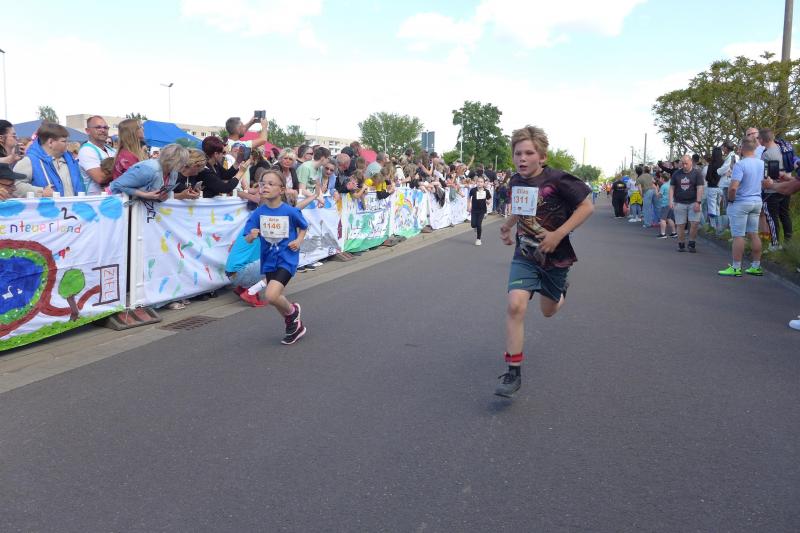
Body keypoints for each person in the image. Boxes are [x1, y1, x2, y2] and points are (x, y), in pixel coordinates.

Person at [495, 126, 593, 397]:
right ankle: (513, 372)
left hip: (556, 257)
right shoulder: (516, 181)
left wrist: (557, 234)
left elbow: (587, 206)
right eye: (518, 153)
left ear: (542, 157)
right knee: (515, 305)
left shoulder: (558, 180)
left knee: (548, 311)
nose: (522, 158)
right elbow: (521, 209)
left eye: (529, 153)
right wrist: (507, 226)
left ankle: (561, 293)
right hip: (525, 254)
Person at [242, 169, 309, 345]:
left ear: (281, 190)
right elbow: (247, 237)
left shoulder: (290, 211)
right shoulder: (258, 213)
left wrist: (298, 240)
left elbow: (303, 227)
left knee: (271, 296)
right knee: (276, 298)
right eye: (263, 183)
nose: (265, 186)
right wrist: (251, 236)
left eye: (271, 184)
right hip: (269, 260)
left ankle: (293, 312)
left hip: (287, 258)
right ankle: (294, 325)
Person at [718, 139, 764, 277]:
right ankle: (756, 266)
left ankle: (736, 267)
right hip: (756, 201)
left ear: (742, 148)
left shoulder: (740, 165)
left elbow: (733, 187)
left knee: (738, 236)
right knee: (754, 233)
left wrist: (731, 200)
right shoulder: (762, 163)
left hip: (741, 202)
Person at [15, 122, 83, 196]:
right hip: (47, 204)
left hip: (73, 203)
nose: (67, 144)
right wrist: (41, 192)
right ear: (50, 142)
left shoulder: (71, 161)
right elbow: (16, 185)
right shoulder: (29, 161)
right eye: (64, 141)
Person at [109, 144, 190, 200]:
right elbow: (118, 185)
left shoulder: (173, 173)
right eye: (183, 161)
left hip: (138, 209)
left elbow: (161, 194)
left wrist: (163, 197)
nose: (185, 164)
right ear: (173, 160)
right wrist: (144, 195)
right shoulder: (148, 169)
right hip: (116, 203)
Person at [759, 128, 792, 249]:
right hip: (787, 187)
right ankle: (788, 244)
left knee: (772, 218)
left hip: (772, 190)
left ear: (762, 139)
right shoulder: (784, 149)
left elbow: (765, 174)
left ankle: (775, 245)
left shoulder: (766, 154)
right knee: (785, 215)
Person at [668, 155, 704, 253]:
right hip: (679, 202)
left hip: (694, 202)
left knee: (694, 223)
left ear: (691, 162)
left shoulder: (697, 173)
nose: (684, 166)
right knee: (680, 225)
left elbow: (700, 188)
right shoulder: (676, 173)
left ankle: (692, 243)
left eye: (686, 163)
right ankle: (681, 244)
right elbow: (672, 188)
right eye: (682, 163)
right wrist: (670, 201)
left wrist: (698, 202)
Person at [78, 115, 117, 194]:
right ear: (88, 131)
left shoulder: (112, 150)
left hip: (115, 198)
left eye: (105, 127)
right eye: (98, 127)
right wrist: (122, 171)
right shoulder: (86, 150)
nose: (103, 130)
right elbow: (100, 178)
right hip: (96, 200)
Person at [468, 176, 491, 245]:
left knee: (479, 224)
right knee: (473, 224)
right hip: (474, 210)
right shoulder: (473, 190)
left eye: (481, 182)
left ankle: (478, 239)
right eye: (478, 182)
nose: (479, 183)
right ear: (476, 182)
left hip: (482, 210)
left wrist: (487, 201)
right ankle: (475, 227)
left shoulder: (486, 191)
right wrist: (468, 206)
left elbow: (489, 199)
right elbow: (469, 197)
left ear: (483, 183)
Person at [655, 173, 677, 239]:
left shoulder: (663, 186)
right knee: (669, 218)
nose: (659, 179)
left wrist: (655, 188)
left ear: (663, 179)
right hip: (670, 204)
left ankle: (663, 234)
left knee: (662, 219)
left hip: (665, 204)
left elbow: (658, 196)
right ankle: (674, 232)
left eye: (660, 177)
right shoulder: (670, 184)